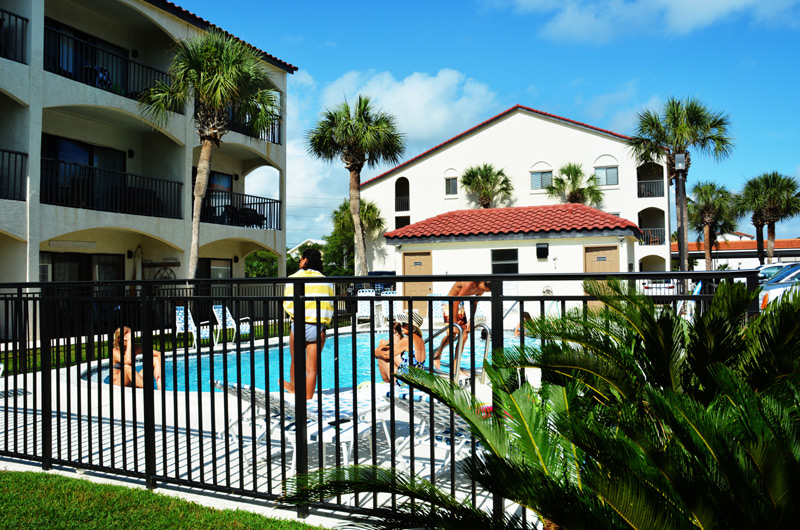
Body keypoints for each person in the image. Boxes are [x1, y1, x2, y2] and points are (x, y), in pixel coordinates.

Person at [281, 248, 334, 400]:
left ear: (305, 260)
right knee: (312, 369)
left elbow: (288, 303)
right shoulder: (326, 281)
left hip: (298, 325)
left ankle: (292, 388)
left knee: (295, 361)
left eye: (300, 259)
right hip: (317, 327)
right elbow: (329, 305)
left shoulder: (293, 278)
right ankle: (308, 399)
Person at [433, 280, 491, 368]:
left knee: (463, 336)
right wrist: (454, 324)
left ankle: (455, 365)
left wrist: (471, 320)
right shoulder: (469, 284)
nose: (484, 292)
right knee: (452, 334)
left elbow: (474, 303)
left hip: (459, 305)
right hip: (450, 304)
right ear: (482, 282)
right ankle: (438, 354)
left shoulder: (481, 289)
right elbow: (455, 303)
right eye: (486, 289)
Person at [374, 311, 426, 384]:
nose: (401, 326)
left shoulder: (406, 340)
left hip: (405, 382)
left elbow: (386, 355)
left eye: (404, 324)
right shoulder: (421, 341)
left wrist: (375, 352)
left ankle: (387, 385)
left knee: (381, 358)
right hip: (418, 381)